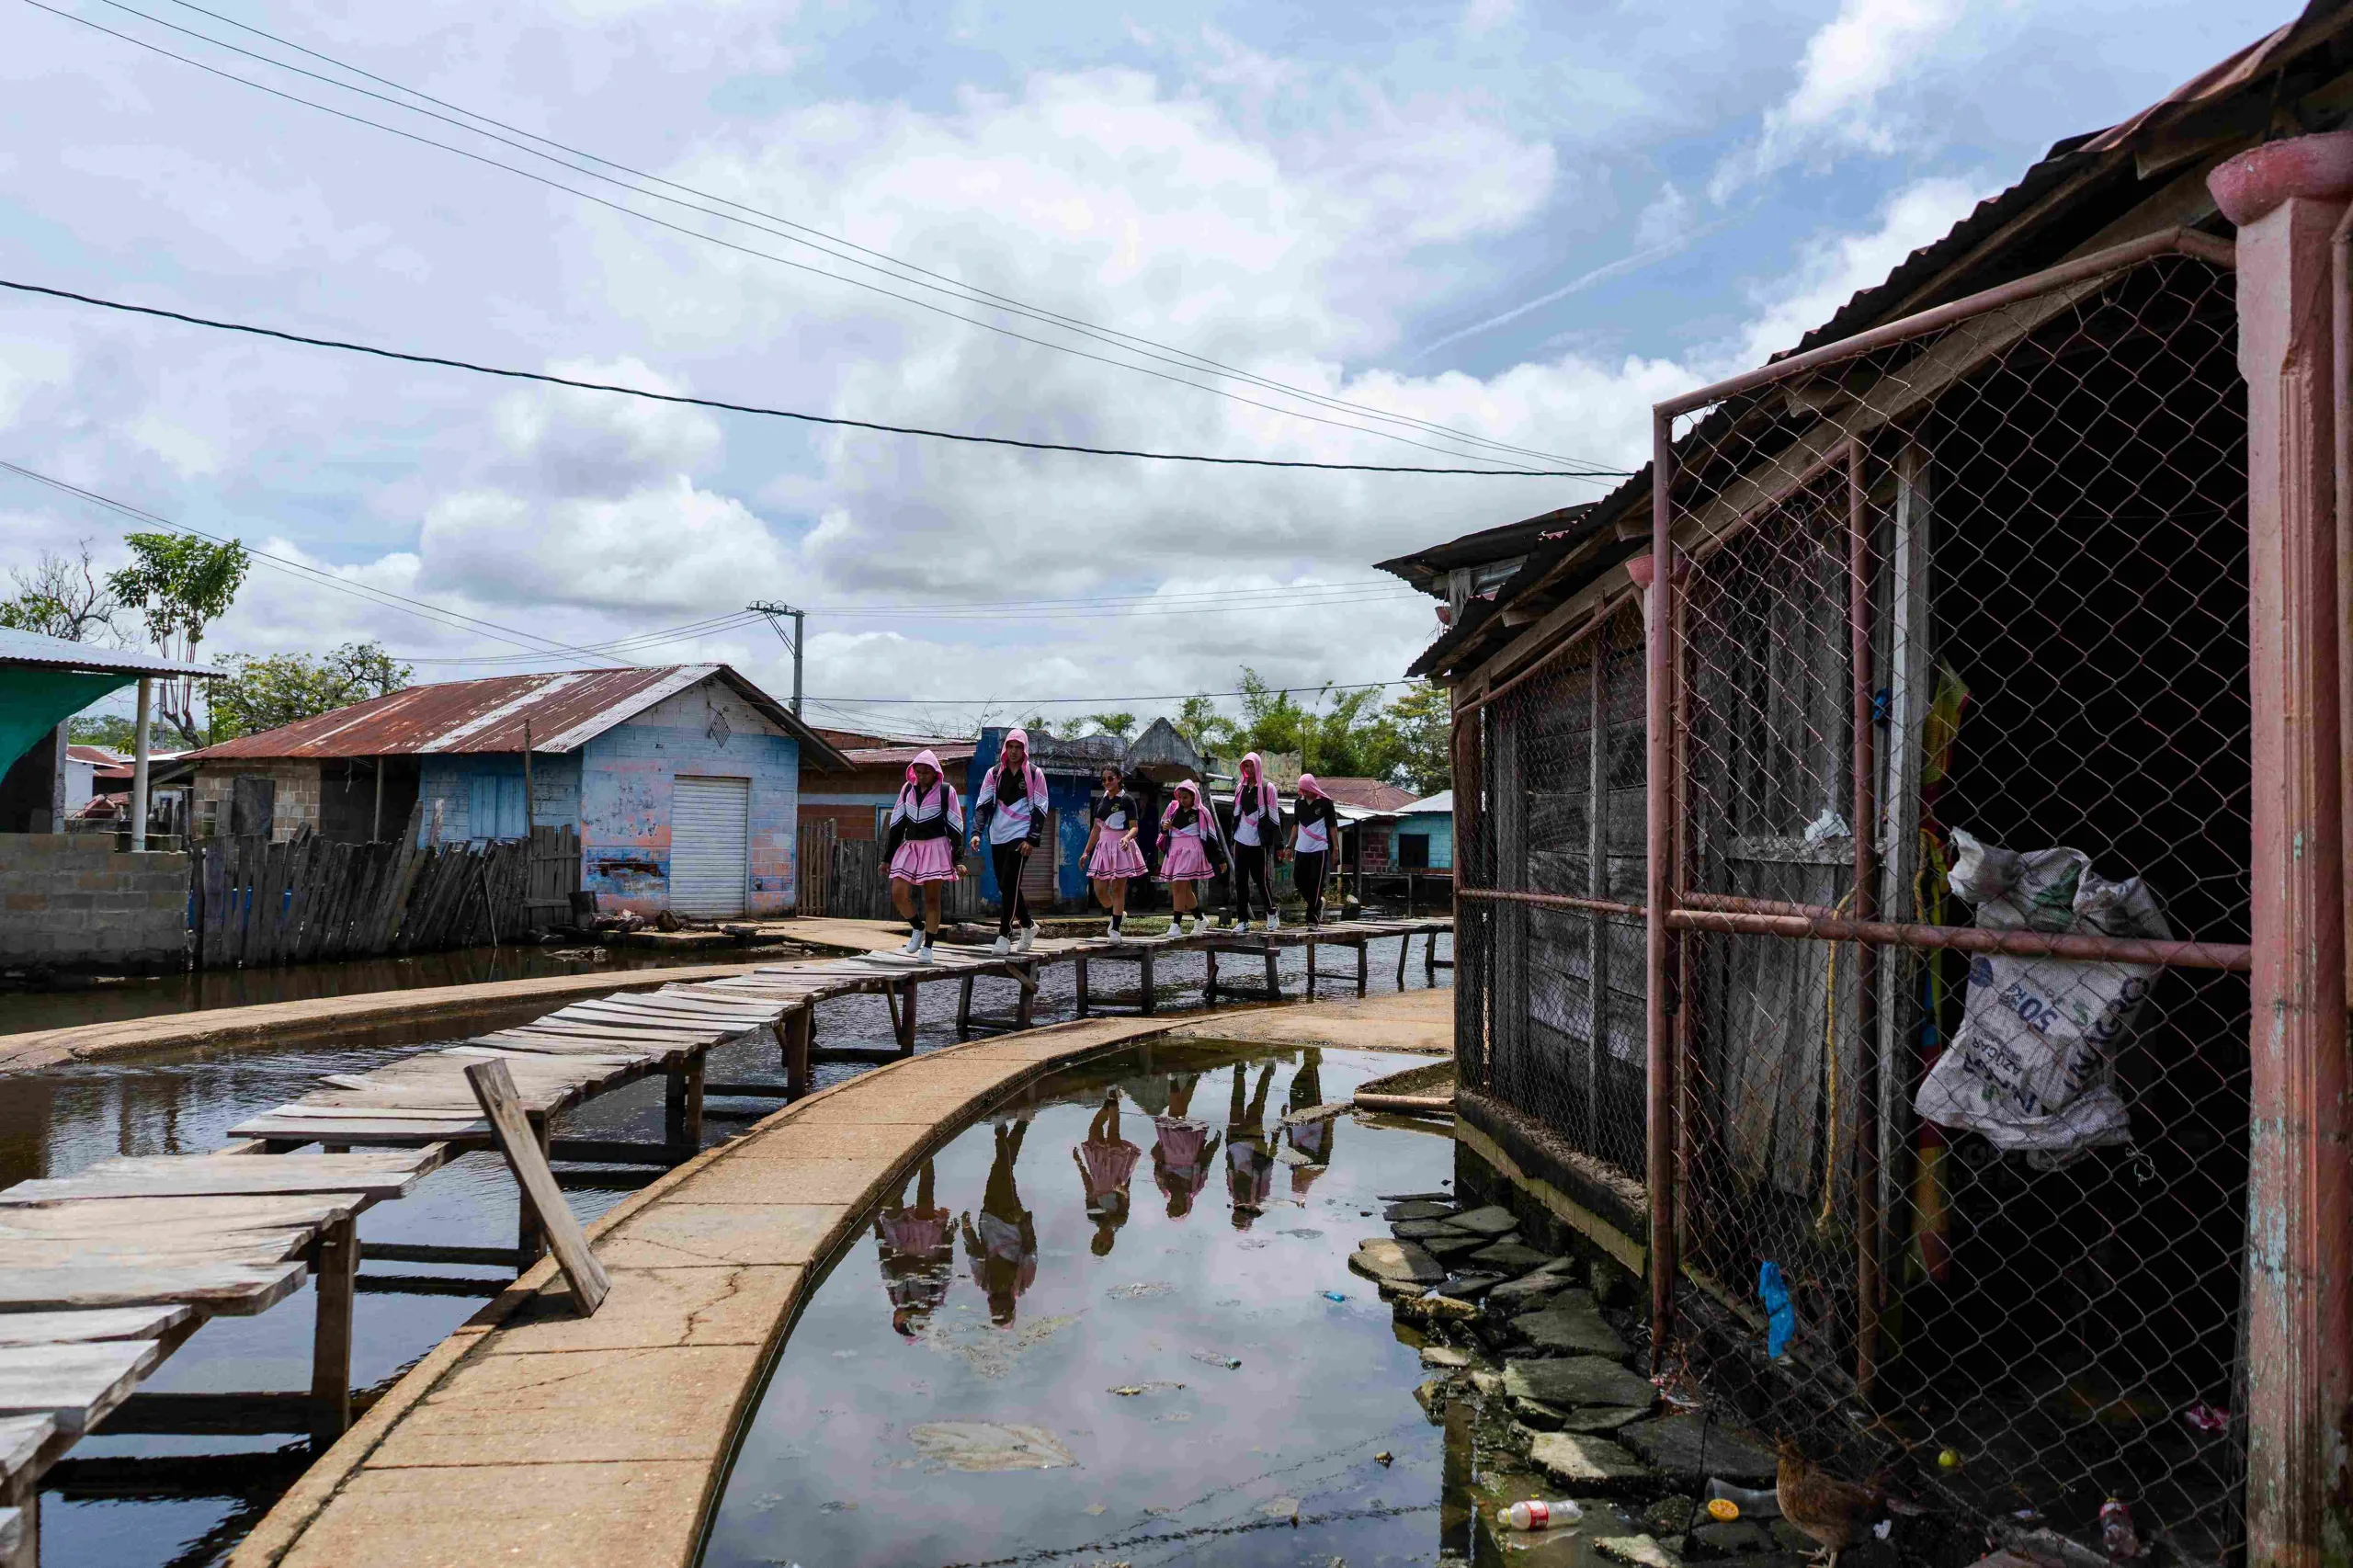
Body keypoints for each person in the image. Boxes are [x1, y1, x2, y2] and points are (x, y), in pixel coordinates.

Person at [971, 728, 1051, 957]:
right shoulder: (994, 773)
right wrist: (976, 832)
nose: (1014, 751)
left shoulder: (1035, 774)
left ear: (1025, 750)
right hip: (997, 834)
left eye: (1018, 747)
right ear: (1005, 748)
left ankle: (1004, 935)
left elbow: (1041, 808)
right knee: (1007, 885)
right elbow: (983, 805)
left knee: (1010, 881)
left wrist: (1032, 839)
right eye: (1010, 747)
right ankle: (1028, 925)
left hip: (1021, 833)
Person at [882, 750, 964, 962]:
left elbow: (955, 825)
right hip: (911, 847)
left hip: (936, 847)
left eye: (926, 772)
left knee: (932, 898)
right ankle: (917, 928)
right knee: (898, 892)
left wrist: (958, 860)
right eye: (918, 772)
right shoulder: (907, 790)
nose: (921, 776)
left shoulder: (946, 791)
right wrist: (887, 858)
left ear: (935, 772)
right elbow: (897, 824)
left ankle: (928, 946)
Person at [961, 1119, 1038, 1325]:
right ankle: (1001, 1129)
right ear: (1012, 1307)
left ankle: (1021, 1123)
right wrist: (1023, 1222)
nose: (998, 1306)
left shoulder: (983, 1282)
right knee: (1002, 1170)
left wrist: (967, 1229)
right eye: (1003, 1310)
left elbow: (974, 1253)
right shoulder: (1023, 1282)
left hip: (988, 1220)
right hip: (1011, 1220)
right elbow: (1030, 1250)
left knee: (1003, 1168)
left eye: (995, 1310)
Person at [874, 1159, 955, 1337]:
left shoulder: (896, 1298)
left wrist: (877, 1227)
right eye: (902, 1321)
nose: (899, 1316)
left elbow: (885, 1262)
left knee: (891, 1206)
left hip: (902, 1244)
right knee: (925, 1195)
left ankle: (905, 1172)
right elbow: (945, 1267)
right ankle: (926, 1157)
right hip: (926, 1245)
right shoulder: (932, 1300)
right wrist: (949, 1237)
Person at [1071, 1090, 1142, 1256]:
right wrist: (1120, 1189)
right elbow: (1126, 1196)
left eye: (1098, 1241)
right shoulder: (1120, 1219)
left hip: (1097, 1172)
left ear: (1095, 1237)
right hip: (1115, 1176)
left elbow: (1089, 1189)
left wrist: (1080, 1164)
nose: (1103, 1238)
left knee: (1095, 1128)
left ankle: (1109, 1104)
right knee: (1113, 1133)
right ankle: (1113, 1099)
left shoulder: (1093, 1216)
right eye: (1105, 1243)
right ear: (1111, 1242)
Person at [1082, 763, 1146, 937]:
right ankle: (1118, 913)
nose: (1107, 782)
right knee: (1100, 890)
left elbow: (1134, 827)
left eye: (1110, 778)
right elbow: (1096, 828)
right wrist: (1086, 851)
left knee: (1118, 889)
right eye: (1104, 779)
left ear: (1119, 778)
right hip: (1103, 845)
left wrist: (1127, 837)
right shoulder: (1101, 800)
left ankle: (1116, 930)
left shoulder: (1127, 800)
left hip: (1121, 844)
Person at [1156, 778, 1224, 937]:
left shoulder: (1201, 812)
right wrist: (1164, 826)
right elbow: (1163, 826)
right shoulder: (1172, 808)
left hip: (1191, 851)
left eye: (1185, 797)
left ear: (1194, 796)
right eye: (1180, 797)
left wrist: (1219, 858)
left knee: (1179, 884)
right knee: (1183, 887)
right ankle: (1200, 919)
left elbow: (1211, 835)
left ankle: (1175, 924)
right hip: (1174, 850)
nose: (1182, 800)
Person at [1228, 751, 1285, 933]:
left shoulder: (1268, 788)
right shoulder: (1240, 788)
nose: (1249, 769)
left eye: (1252, 765)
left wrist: (1279, 845)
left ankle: (1271, 912)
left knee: (1260, 880)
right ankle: (1243, 920)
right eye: (1246, 765)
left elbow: (1275, 819)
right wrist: (1232, 838)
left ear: (1258, 766)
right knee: (1240, 881)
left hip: (1259, 841)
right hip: (1241, 839)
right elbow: (1236, 815)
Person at [1152, 1072, 1220, 1220]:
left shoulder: (1165, 1189)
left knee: (1177, 1113)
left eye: (1172, 1206)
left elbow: (1157, 1169)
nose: (1175, 1203)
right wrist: (1213, 1146)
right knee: (1177, 1113)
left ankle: (1187, 1080)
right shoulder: (1194, 1188)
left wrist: (1160, 1146)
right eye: (1178, 1207)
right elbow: (1204, 1166)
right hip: (1189, 1149)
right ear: (1185, 1205)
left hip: (1169, 1149)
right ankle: (1176, 1081)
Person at [1224, 1061, 1278, 1230]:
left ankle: (1239, 1067)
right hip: (1254, 1139)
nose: (1239, 1210)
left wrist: (1228, 1140)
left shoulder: (1232, 1191)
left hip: (1234, 1139)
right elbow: (1269, 1164)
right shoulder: (1260, 1195)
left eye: (1235, 1215)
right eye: (1241, 1216)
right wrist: (1275, 1140)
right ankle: (1268, 1069)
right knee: (1258, 1101)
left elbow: (1229, 1166)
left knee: (1236, 1100)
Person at [1290, 773, 1343, 926]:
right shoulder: (1298, 803)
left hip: (1319, 848)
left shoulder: (1325, 803)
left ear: (1312, 787)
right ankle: (1318, 903)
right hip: (1301, 848)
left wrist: (1335, 849)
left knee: (1316, 883)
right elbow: (1295, 825)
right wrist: (1289, 846)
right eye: (1303, 790)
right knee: (1298, 880)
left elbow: (1333, 827)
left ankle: (1311, 918)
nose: (1305, 793)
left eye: (1307, 790)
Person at [1283, 1049, 1334, 1201]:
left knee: (1297, 1086)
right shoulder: (1319, 1167)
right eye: (1298, 1183)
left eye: (1294, 1182)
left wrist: (1286, 1120)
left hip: (1297, 1117)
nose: (1295, 1180)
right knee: (1310, 1080)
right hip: (1314, 1117)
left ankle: (1311, 1055)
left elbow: (1290, 1143)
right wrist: (1329, 1122)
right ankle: (1311, 1054)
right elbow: (1327, 1144)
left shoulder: (1294, 1167)